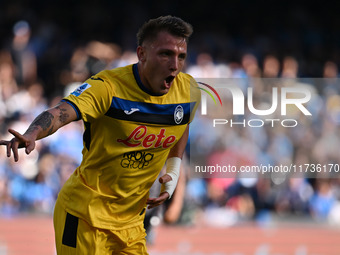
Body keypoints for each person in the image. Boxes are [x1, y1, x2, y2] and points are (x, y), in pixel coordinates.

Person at [0, 16, 200, 254]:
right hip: (85, 216)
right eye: (166, 54)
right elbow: (60, 112)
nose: (175, 65)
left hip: (131, 223)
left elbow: (181, 125)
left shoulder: (188, 91)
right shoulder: (108, 87)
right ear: (142, 54)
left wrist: (174, 171)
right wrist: (33, 133)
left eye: (181, 57)